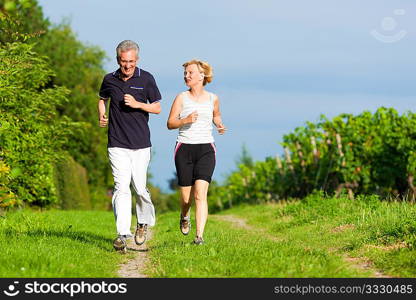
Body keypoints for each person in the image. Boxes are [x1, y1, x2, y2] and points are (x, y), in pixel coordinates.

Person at [98, 40, 161, 252]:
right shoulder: (109, 79)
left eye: (131, 62)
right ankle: (122, 234)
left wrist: (138, 104)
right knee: (121, 187)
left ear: (137, 60)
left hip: (141, 144)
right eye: (124, 62)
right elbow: (101, 98)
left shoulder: (147, 78)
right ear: (118, 60)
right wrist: (102, 113)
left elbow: (158, 108)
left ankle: (142, 223)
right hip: (117, 143)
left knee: (140, 188)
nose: (127, 66)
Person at [167, 59, 226, 245]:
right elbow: (170, 123)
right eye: (185, 73)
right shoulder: (181, 98)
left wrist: (219, 124)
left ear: (202, 75)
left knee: (200, 194)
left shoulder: (213, 98)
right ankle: (185, 215)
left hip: (206, 148)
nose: (186, 76)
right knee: (186, 199)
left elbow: (216, 114)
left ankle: (199, 237)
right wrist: (185, 120)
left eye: (190, 72)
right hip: (184, 148)